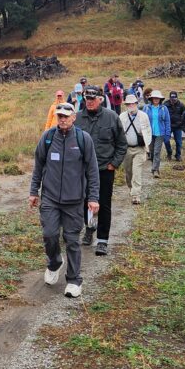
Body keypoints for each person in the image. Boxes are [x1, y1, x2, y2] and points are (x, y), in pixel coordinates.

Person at [28, 102, 99, 298]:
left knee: (72, 240)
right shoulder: (48, 138)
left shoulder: (83, 140)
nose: (62, 119)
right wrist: (34, 191)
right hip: (50, 198)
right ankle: (54, 263)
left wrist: (93, 198)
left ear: (74, 117)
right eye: (59, 115)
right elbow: (38, 166)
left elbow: (92, 171)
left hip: (75, 200)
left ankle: (74, 280)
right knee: (50, 235)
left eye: (66, 116)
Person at [76, 85, 127, 256]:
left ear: (101, 99)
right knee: (84, 202)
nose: (89, 102)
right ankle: (90, 227)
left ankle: (103, 240)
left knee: (104, 204)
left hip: (104, 169)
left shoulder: (112, 117)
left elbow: (121, 144)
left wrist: (114, 164)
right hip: (82, 171)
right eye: (87, 99)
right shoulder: (77, 119)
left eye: (93, 99)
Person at [118, 94, 152, 205]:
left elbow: (148, 131)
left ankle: (136, 195)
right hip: (126, 149)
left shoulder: (143, 116)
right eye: (128, 104)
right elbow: (118, 133)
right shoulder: (122, 116)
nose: (131, 105)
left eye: (133, 103)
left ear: (137, 104)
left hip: (139, 148)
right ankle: (131, 188)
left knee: (137, 171)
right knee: (128, 172)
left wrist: (147, 147)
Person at [144, 90, 171, 178]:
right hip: (149, 133)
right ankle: (154, 166)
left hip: (160, 133)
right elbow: (143, 120)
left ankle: (155, 170)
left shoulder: (164, 108)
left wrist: (168, 133)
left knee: (156, 152)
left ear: (160, 99)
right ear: (151, 99)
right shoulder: (147, 108)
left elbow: (167, 121)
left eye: (157, 98)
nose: (156, 99)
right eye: (154, 98)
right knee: (151, 152)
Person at [167, 91, 185, 161]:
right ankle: (169, 153)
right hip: (168, 126)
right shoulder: (165, 104)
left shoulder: (181, 105)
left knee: (179, 142)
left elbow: (184, 115)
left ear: (177, 98)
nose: (173, 100)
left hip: (178, 126)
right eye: (172, 98)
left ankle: (178, 155)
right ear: (169, 98)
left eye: (175, 98)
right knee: (166, 140)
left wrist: (181, 123)